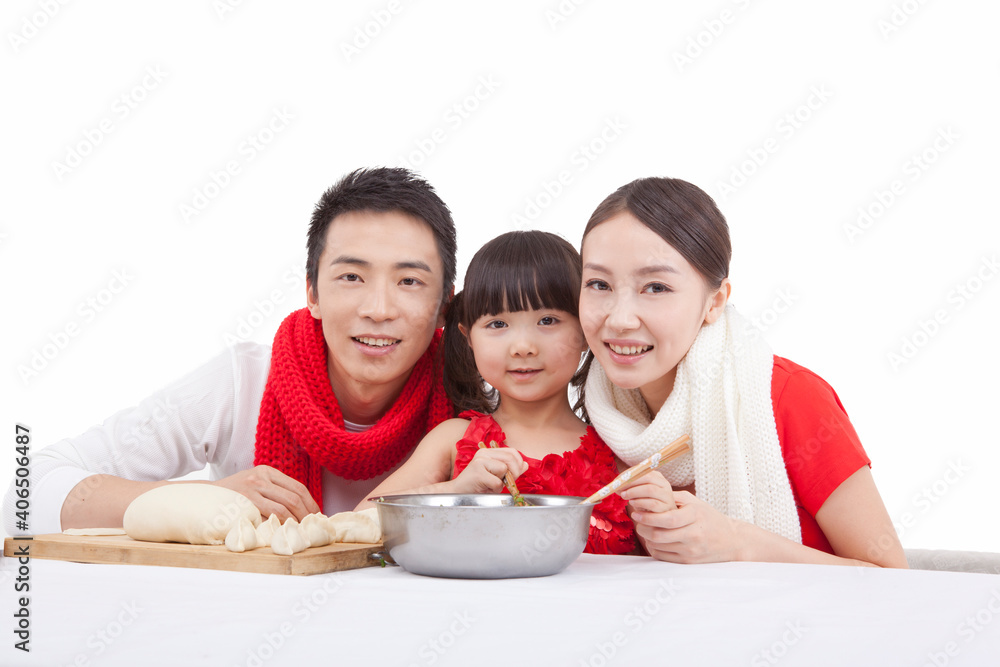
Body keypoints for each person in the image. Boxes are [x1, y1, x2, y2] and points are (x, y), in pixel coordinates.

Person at [3, 167, 457, 535]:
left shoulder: (480, 398)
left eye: (410, 281)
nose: (378, 309)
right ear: (312, 294)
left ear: (445, 307)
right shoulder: (242, 384)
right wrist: (200, 500)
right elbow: (28, 491)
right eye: (351, 277)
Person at [576, 176, 908, 567]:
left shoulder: (789, 398)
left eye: (656, 288)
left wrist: (740, 544)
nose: (619, 320)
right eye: (598, 284)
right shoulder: (601, 416)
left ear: (714, 302)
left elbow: (893, 579)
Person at [359, 231, 637, 555]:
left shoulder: (618, 452)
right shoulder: (453, 440)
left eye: (547, 320)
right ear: (468, 337)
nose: (522, 347)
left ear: (586, 330)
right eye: (497, 324)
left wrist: (658, 520)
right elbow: (361, 522)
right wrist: (458, 491)